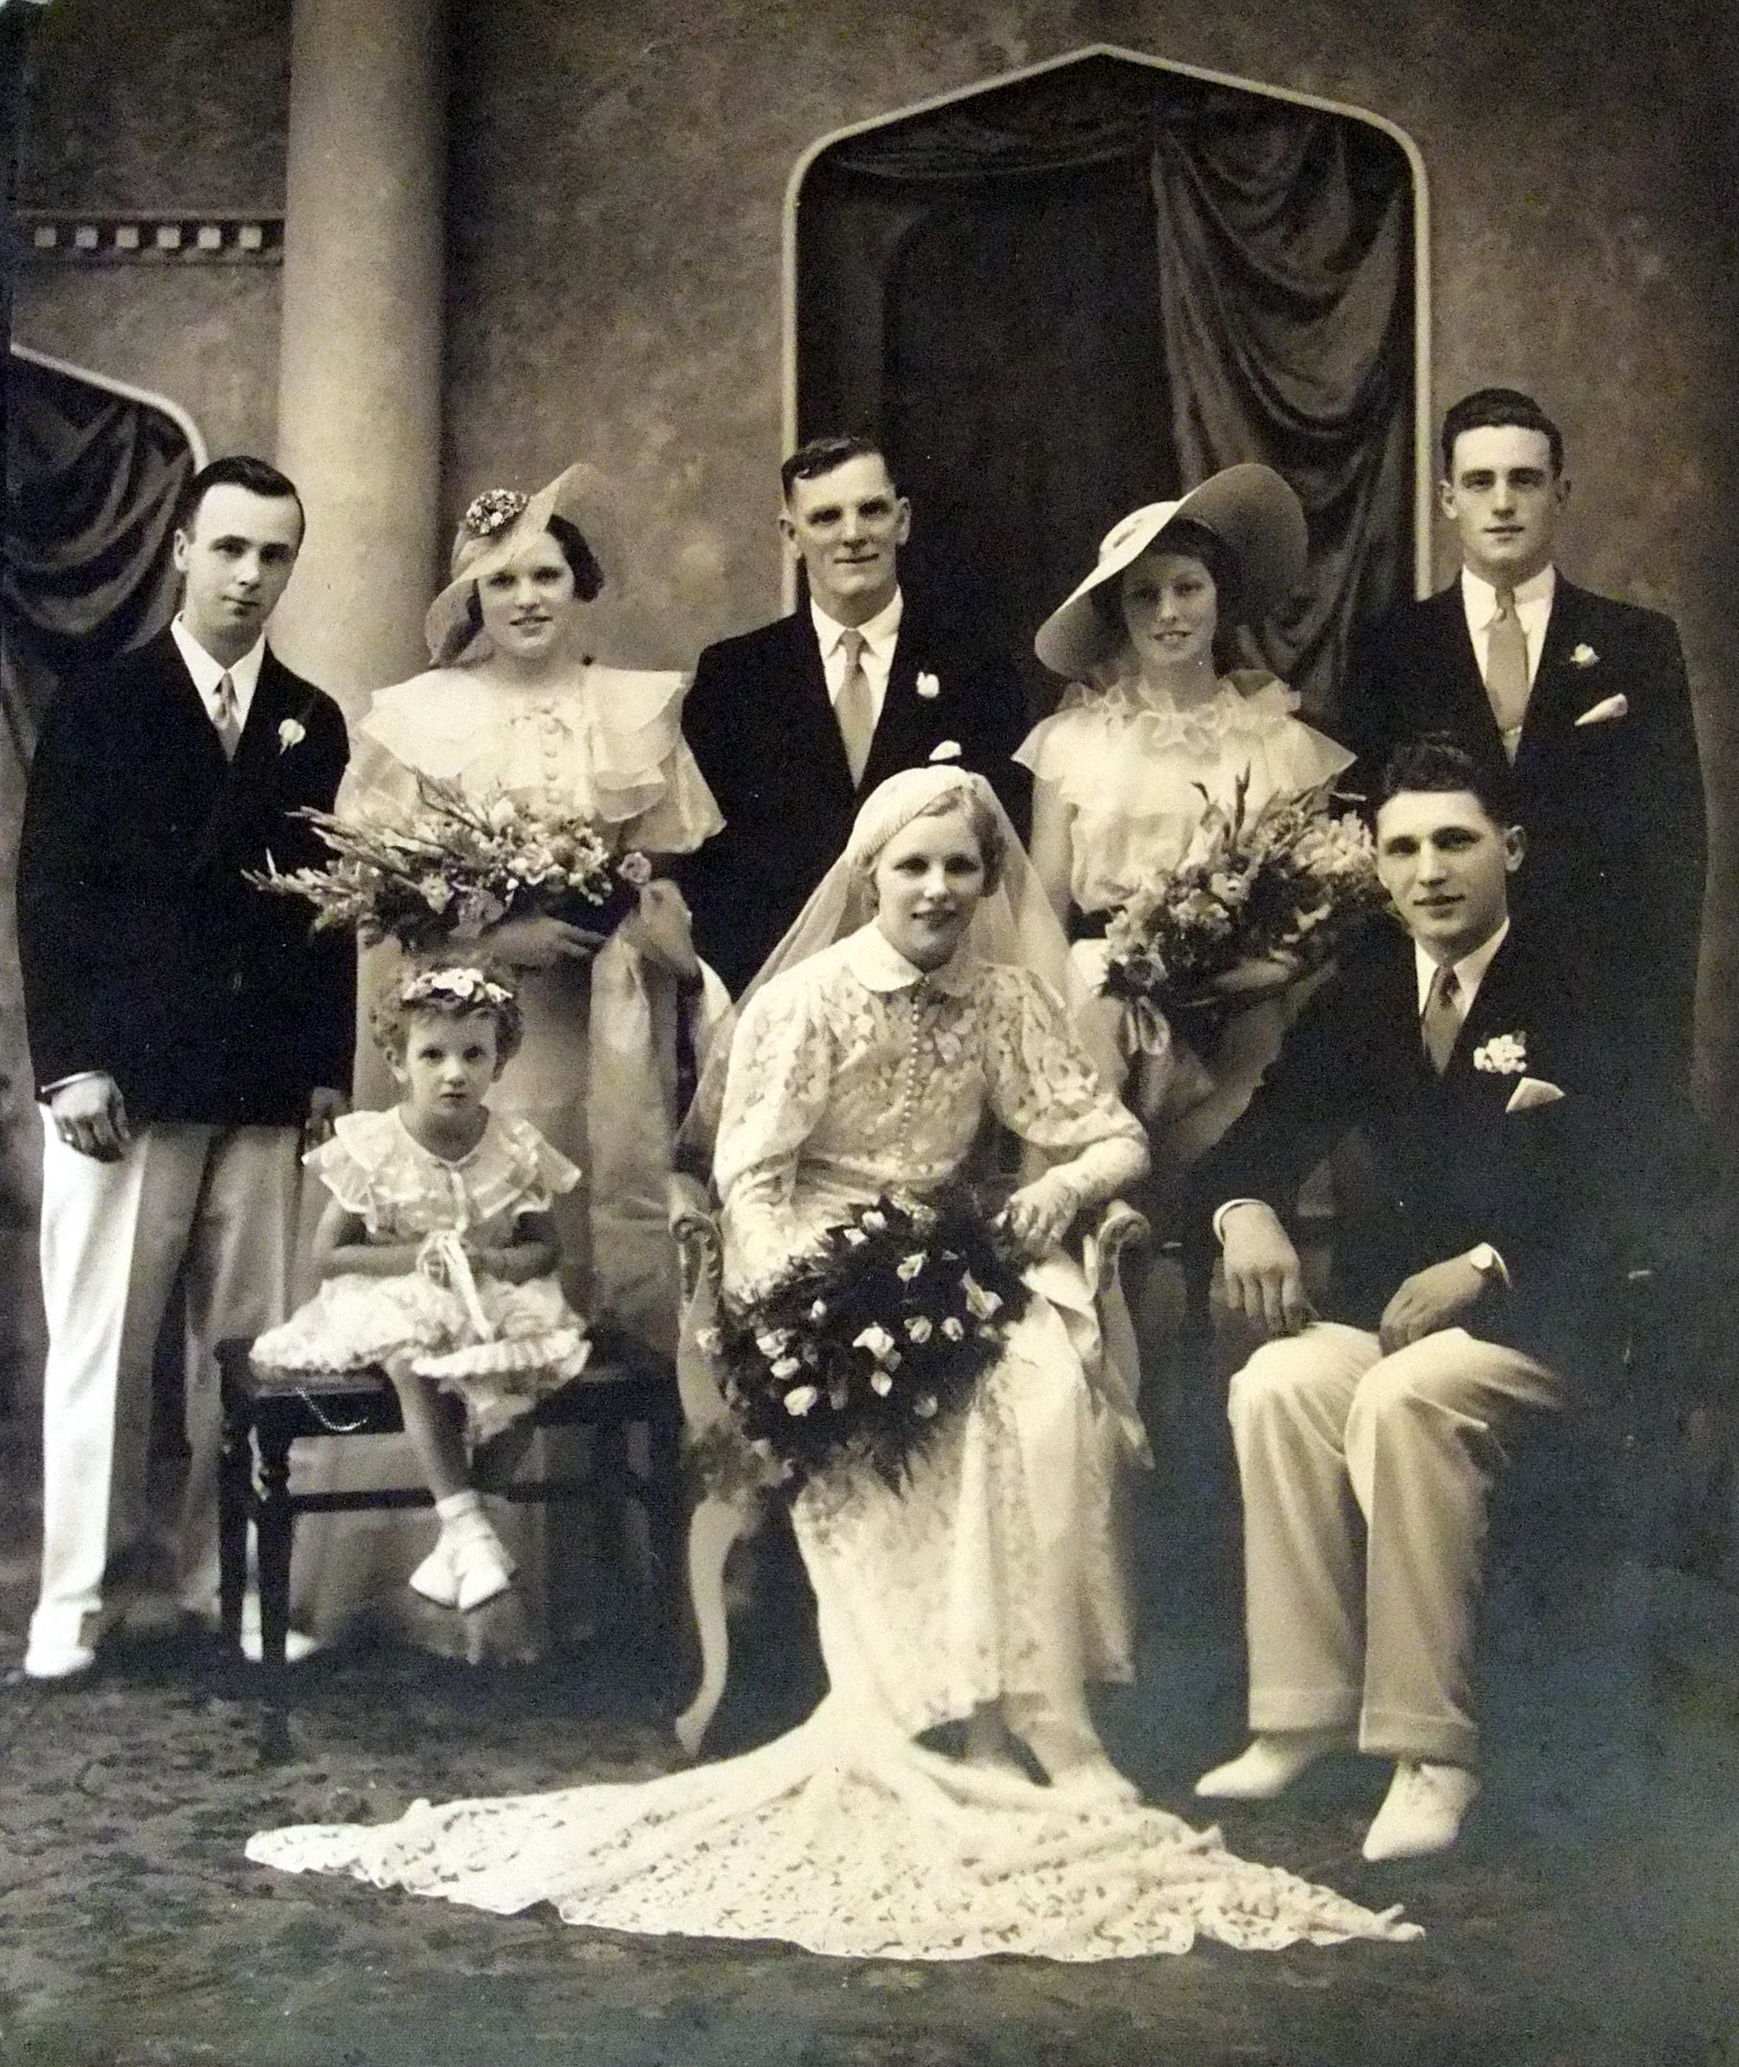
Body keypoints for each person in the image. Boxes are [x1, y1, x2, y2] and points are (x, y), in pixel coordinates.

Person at [245, 769, 1419, 1962]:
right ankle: (941, 1708)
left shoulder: (1006, 999)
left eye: (959, 867)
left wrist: (1057, 1188)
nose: (936, 889)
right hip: (817, 1260)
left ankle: (1033, 1714)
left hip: (956, 1247)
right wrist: (808, 1307)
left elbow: (1111, 1135)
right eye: (912, 866)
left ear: (987, 880)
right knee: (911, 1399)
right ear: (869, 877)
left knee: (1037, 1388)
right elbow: (750, 1180)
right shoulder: (807, 1002)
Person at [291, 466, 724, 1653]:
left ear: (578, 587)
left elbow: (658, 871)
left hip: (602, 1023)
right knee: (468, 1249)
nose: (527, 598)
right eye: (502, 582)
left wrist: (634, 926)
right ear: (472, 600)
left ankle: (578, 1584)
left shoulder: (630, 709)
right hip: (472, 1036)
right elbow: (383, 901)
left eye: (545, 575)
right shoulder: (424, 715)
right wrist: (496, 936)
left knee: (577, 1250)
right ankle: (443, 1549)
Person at [1189, 739, 1628, 1862]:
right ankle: (1302, 1712)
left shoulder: (1587, 976)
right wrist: (1245, 1209)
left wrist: (1488, 1262)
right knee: (1280, 1379)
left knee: (1403, 1396)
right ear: (1377, 867)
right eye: (1403, 848)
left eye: (1454, 841)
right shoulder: (1368, 992)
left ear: (1509, 849)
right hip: (1404, 1332)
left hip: (1554, 1327)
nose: (1428, 871)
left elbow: (1650, 1177)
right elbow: (1258, 1135)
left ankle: (1432, 1751)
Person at [16, 455, 355, 1679]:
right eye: (230, 549)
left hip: (258, 1082)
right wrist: (73, 1065)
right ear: (181, 552)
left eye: (274, 555)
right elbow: (50, 893)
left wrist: (323, 1071)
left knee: (249, 1352)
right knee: (105, 1348)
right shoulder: (105, 702)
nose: (250, 576)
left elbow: (328, 905)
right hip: (126, 1081)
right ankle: (78, 1598)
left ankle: (233, 1586)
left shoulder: (310, 718)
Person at [1344, 387, 1707, 1096]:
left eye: (1525, 480)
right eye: (1480, 482)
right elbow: (1365, 846)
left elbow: (1675, 852)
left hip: (1599, 1009)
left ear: (1560, 492)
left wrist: (1659, 1047)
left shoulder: (1637, 644)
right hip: (1444, 1001)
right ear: (1448, 498)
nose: (1503, 503)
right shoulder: (1391, 648)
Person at [1019, 465, 1353, 1181]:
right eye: (1144, 594)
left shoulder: (1283, 744)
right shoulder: (1072, 742)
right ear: (1119, 613)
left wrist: (1256, 976)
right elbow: (1046, 898)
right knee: (1089, 1171)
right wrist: (1044, 1027)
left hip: (1242, 1004)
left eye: (1187, 588)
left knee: (1230, 1181)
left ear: (1219, 597)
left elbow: (1318, 910)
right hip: (1102, 997)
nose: (1168, 612)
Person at [254, 964, 587, 1614]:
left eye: (474, 1055)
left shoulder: (514, 1146)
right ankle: (467, 1524)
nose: (454, 1073)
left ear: (500, 1061)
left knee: (537, 1354)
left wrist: (494, 1260)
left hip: (487, 1289)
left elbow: (546, 1247)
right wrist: (417, 1255)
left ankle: (468, 1530)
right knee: (414, 1356)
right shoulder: (377, 1144)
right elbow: (329, 1253)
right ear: (398, 1062)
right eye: (432, 1055)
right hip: (394, 1292)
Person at [679, 433, 1030, 995]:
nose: (852, 534)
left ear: (902, 520)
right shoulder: (735, 676)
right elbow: (707, 865)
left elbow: (1003, 847)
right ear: (791, 536)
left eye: (872, 510)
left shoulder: (976, 667)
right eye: (825, 517)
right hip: (778, 987)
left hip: (937, 980)